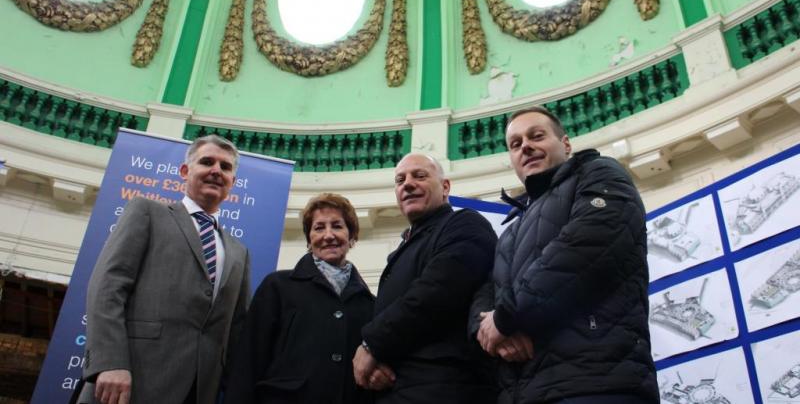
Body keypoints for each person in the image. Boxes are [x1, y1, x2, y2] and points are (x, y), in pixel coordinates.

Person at [472, 106, 658, 403]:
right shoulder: (509, 232)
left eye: (537, 136)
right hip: (524, 392)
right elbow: (485, 292)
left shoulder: (599, 173)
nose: (526, 147)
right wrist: (487, 332)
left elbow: (586, 247)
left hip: (596, 384)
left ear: (566, 144)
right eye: (516, 144)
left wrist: (505, 318)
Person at [77, 135, 251, 404]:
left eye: (225, 167)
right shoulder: (147, 212)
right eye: (207, 162)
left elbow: (238, 326)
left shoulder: (239, 252)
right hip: (129, 381)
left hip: (200, 390)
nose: (216, 170)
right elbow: (107, 287)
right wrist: (109, 362)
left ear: (233, 183)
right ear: (185, 171)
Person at [353, 153, 497, 404]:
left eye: (419, 176)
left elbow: (435, 294)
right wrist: (378, 365)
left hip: (446, 388)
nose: (407, 184)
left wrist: (372, 346)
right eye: (400, 180)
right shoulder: (401, 251)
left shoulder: (465, 224)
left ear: (445, 187)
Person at [224, 193, 376, 404]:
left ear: (351, 236)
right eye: (319, 227)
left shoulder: (369, 302)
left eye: (337, 226)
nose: (329, 235)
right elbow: (248, 361)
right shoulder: (277, 286)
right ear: (309, 238)